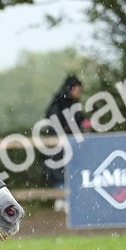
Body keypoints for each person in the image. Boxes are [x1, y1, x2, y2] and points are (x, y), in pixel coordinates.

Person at [42, 75, 88, 212]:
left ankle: (67, 198)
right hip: (57, 141)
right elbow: (52, 119)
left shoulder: (74, 103)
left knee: (71, 168)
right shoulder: (59, 102)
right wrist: (68, 128)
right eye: (77, 89)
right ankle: (62, 198)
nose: (78, 92)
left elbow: (79, 120)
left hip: (71, 142)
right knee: (58, 169)